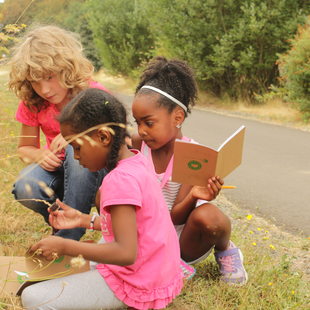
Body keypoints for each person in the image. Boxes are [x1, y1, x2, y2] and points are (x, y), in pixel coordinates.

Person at [21, 88, 186, 310]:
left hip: (137, 282)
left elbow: (126, 253)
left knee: (32, 297)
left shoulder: (118, 181)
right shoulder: (137, 160)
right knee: (84, 259)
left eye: (77, 148)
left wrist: (65, 245)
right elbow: (136, 225)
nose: (76, 157)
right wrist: (83, 220)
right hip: (157, 270)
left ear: (103, 137)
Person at [131, 56, 248, 286]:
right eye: (137, 122)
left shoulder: (192, 155)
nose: (142, 130)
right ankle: (162, 264)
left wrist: (196, 194)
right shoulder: (136, 144)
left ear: (177, 117)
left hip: (179, 239)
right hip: (144, 235)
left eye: (149, 122)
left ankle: (226, 251)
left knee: (211, 217)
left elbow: (175, 217)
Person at [9, 25, 108, 240]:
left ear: (67, 68)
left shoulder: (93, 94)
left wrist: (75, 134)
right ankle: (62, 221)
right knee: (26, 185)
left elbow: (112, 137)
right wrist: (38, 155)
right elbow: (24, 149)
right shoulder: (33, 102)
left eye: (50, 77)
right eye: (36, 81)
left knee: (77, 148)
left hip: (97, 170)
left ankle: (67, 238)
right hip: (59, 172)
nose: (44, 89)